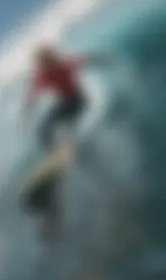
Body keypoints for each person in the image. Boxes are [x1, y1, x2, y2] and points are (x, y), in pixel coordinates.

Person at [20, 43, 109, 242]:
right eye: (41, 63)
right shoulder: (41, 76)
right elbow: (31, 97)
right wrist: (26, 111)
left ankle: (67, 146)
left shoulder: (65, 64)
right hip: (64, 103)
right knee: (43, 129)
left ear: (52, 58)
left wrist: (104, 59)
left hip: (79, 101)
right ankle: (53, 157)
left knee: (68, 121)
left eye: (45, 61)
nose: (43, 66)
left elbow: (87, 59)